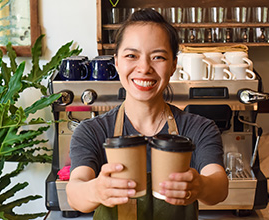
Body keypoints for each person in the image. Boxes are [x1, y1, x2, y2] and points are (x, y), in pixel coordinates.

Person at [66, 8, 228, 218]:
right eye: (131, 55)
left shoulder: (199, 128)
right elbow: (74, 192)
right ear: (117, 62)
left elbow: (219, 185)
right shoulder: (92, 131)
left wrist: (200, 186)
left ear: (173, 65)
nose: (144, 68)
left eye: (158, 57)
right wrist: (96, 190)